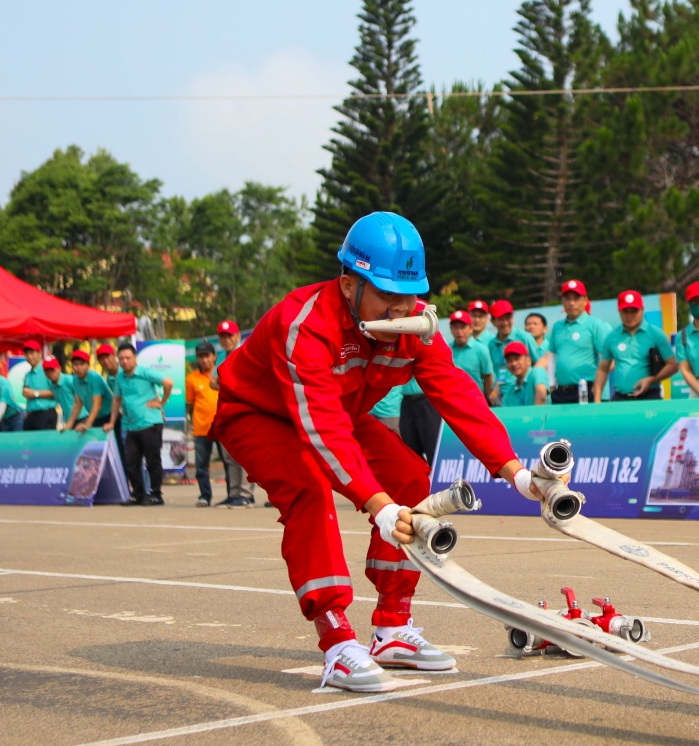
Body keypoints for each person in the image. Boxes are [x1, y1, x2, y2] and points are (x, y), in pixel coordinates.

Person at [211, 211, 555, 693]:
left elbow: (456, 392)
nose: (400, 310)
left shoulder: (416, 323)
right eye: (387, 295)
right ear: (348, 285)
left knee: (410, 478)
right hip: (258, 414)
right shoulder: (303, 324)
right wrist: (378, 505)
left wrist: (515, 472)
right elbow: (322, 430)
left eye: (409, 295)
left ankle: (392, 629)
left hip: (340, 414)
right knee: (309, 487)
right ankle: (336, 643)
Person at [114, 342, 172, 505]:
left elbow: (168, 383)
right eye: (121, 358)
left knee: (152, 460)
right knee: (131, 462)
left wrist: (161, 402)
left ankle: (156, 494)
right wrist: (112, 421)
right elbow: (116, 399)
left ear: (135, 358)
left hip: (150, 423)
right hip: (131, 425)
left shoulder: (145, 372)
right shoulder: (120, 377)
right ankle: (138, 494)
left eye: (128, 358)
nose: (124, 361)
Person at [595, 290, 677, 402]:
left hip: (650, 397)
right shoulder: (612, 337)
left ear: (642, 310)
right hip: (620, 398)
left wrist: (652, 379)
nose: (630, 315)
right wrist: (597, 400)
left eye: (634, 311)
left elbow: (672, 365)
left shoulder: (656, 334)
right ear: (619, 312)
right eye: (625, 311)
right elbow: (603, 369)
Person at [211, 320, 256, 507]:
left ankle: (246, 495)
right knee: (229, 455)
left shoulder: (246, 353)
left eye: (229, 336)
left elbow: (246, 382)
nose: (226, 339)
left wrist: (225, 384)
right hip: (226, 409)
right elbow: (213, 382)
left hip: (243, 411)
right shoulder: (222, 357)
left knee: (243, 454)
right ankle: (234, 493)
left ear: (238, 336)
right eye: (223, 336)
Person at [550, 279, 608, 403]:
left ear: (585, 300)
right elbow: (553, 357)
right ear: (562, 301)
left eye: (576, 298)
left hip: (586, 389)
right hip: (561, 391)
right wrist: (551, 385)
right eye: (567, 298)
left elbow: (605, 360)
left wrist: (598, 390)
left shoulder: (595, 325)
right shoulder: (557, 326)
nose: (571, 303)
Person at [186, 342, 221, 507]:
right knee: (201, 466)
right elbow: (191, 403)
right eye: (201, 356)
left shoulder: (223, 373)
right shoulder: (191, 378)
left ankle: (233, 494)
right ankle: (205, 496)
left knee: (230, 463)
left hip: (223, 427)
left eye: (207, 355)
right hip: (202, 429)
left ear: (214, 356)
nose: (204, 359)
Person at [447, 310, 498, 403]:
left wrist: (485, 397)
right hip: (452, 400)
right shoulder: (446, 350)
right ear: (451, 329)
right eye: (455, 327)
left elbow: (488, 376)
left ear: (471, 328)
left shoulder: (481, 350)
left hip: (475, 400)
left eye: (462, 327)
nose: (459, 331)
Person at [66, 351, 115, 434]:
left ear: (88, 365)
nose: (79, 368)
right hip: (96, 418)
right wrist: (68, 426)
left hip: (110, 416)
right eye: (75, 364)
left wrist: (87, 424)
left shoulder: (95, 377)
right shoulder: (75, 380)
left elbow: (97, 404)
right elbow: (78, 403)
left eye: (82, 364)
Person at [25, 358, 77, 431]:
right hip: (69, 420)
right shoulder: (53, 386)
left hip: (82, 417)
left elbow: (82, 398)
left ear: (59, 368)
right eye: (47, 371)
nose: (50, 373)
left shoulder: (69, 380)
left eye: (52, 370)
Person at [485, 300, 537, 368]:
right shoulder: (491, 344)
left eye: (508, 318)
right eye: (501, 319)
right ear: (493, 321)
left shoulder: (524, 338)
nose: (505, 323)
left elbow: (539, 363)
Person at [497, 341, 548, 406]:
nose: (514, 363)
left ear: (528, 360)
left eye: (517, 358)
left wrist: (536, 413)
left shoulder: (537, 372)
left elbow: (542, 397)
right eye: (509, 360)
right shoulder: (510, 390)